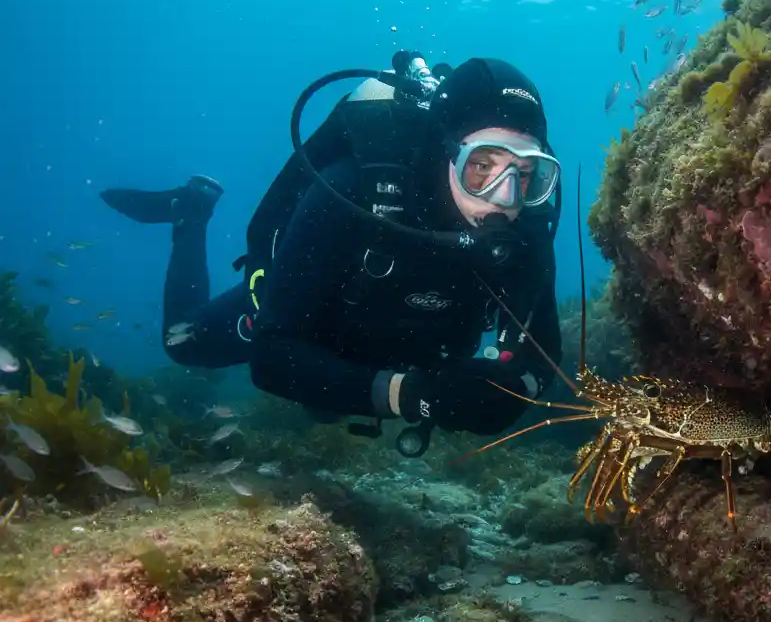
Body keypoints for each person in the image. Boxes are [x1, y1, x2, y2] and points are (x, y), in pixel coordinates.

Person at [100, 53, 563, 450]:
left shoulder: (527, 226)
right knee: (181, 344)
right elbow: (272, 356)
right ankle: (190, 212)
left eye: (526, 173)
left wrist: (513, 392)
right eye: (481, 166)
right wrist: (413, 395)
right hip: (321, 323)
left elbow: (544, 352)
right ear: (446, 152)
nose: (504, 197)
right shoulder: (353, 192)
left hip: (408, 353)